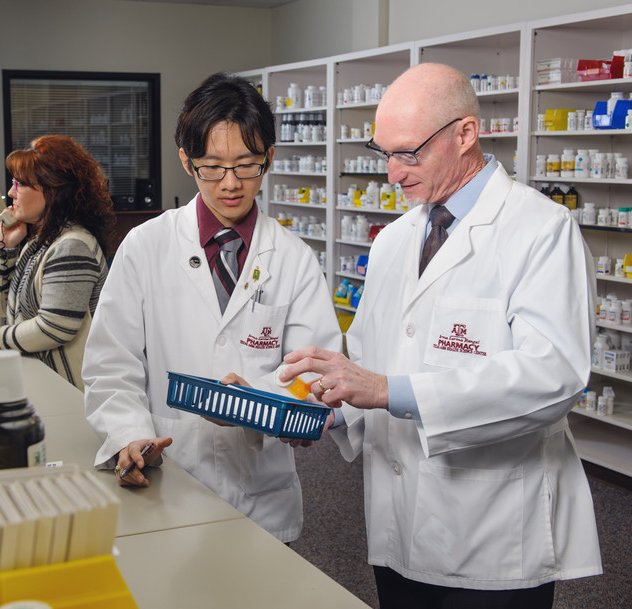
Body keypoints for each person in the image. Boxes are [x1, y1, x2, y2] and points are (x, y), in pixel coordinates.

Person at [281, 63, 602, 608]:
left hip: (493, 535)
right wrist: (324, 408)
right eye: (384, 153)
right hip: (396, 522)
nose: (392, 174)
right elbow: (368, 360)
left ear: (465, 134)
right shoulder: (394, 240)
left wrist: (389, 391)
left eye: (409, 153)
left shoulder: (540, 230)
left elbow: (554, 375)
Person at [82, 72, 343, 543]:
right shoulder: (145, 246)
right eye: (212, 166)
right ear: (186, 160)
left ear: (269, 158)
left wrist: (256, 402)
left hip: (261, 491)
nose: (231, 184)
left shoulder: (293, 257)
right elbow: (111, 365)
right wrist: (129, 435)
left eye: (247, 165)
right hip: (170, 475)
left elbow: (316, 368)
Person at [0, 135, 113, 390]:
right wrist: (6, 248)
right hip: (46, 379)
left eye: (21, 184)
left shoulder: (72, 247)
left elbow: (54, 327)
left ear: (53, 190)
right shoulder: (42, 241)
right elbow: (4, 308)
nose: (11, 192)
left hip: (73, 392)